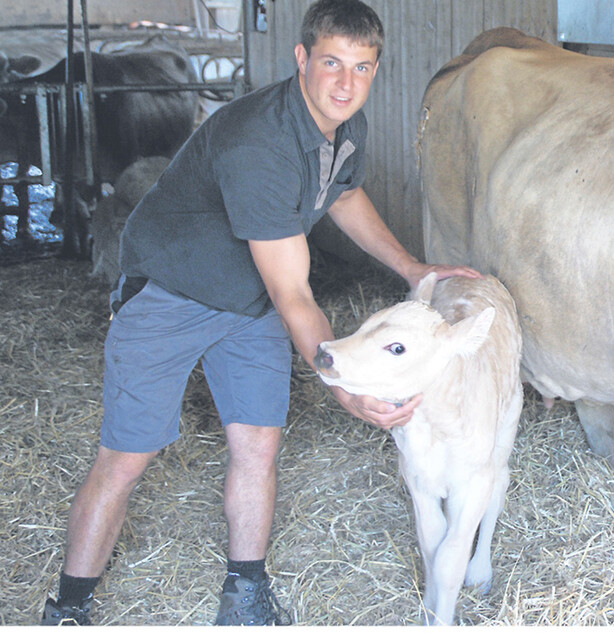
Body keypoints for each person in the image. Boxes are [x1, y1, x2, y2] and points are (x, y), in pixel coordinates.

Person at [41, 0, 479, 625]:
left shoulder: (342, 126)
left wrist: (411, 268)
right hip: (173, 296)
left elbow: (343, 193)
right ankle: (70, 605)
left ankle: (244, 595)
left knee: (257, 447)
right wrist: (344, 384)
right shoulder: (259, 143)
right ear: (301, 59)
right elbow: (293, 294)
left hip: (247, 303)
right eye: (330, 63)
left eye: (361, 68)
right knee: (126, 457)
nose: (344, 83)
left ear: (375, 70)